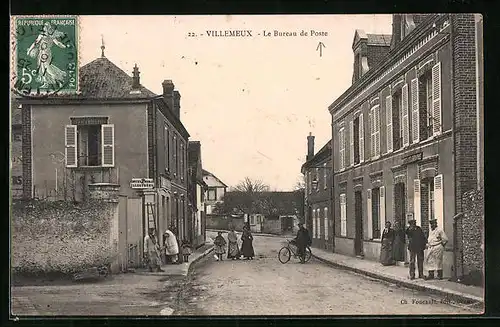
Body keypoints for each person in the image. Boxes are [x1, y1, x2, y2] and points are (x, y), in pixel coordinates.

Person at [26, 22, 68, 88]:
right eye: (45, 27)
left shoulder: (49, 36)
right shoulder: (44, 35)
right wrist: (29, 50)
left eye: (46, 27)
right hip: (42, 52)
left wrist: (63, 46)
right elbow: (35, 43)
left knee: (47, 67)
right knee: (42, 67)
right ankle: (46, 83)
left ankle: (59, 80)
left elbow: (58, 43)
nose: (45, 28)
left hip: (45, 53)